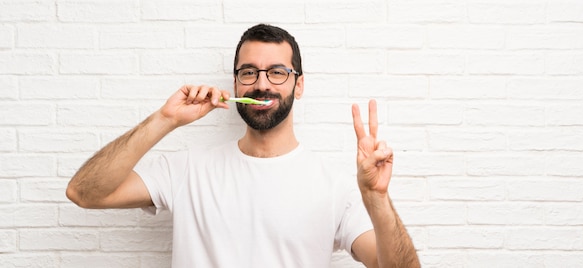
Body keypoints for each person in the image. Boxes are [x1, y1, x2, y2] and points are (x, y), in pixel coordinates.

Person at [66, 24, 420, 268]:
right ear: (236, 83)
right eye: (249, 72)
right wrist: (165, 119)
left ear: (299, 86)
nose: (262, 84)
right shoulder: (187, 170)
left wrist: (376, 198)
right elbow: (85, 192)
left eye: (277, 72)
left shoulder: (335, 187)